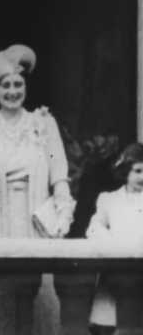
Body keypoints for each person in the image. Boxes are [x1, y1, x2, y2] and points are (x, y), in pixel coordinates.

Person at [0, 44, 75, 238]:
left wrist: (64, 214)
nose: (12, 92)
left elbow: (59, 176)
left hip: (37, 223)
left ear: (26, 87)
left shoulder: (45, 124)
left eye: (18, 84)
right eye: (5, 86)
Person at [86, 143, 143, 335]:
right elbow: (93, 229)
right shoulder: (109, 200)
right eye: (138, 171)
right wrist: (112, 240)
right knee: (112, 326)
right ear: (125, 171)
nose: (142, 177)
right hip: (115, 273)